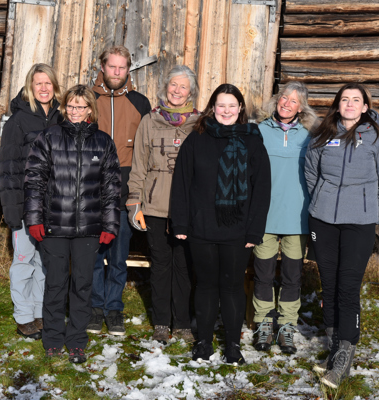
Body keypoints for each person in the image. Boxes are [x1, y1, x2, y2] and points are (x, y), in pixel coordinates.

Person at [305, 83, 379, 387]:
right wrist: (320, 199)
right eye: (344, 99)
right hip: (324, 221)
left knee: (347, 287)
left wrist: (372, 212)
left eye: (355, 100)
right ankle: (334, 350)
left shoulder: (377, 139)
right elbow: (310, 172)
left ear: (364, 107)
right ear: (338, 104)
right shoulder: (323, 134)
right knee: (329, 285)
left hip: (359, 222)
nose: (349, 104)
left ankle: (346, 353)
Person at [171, 84, 271, 365]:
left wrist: (254, 229)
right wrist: (180, 221)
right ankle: (203, 342)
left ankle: (232, 345)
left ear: (240, 109)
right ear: (212, 108)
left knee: (231, 287)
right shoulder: (196, 139)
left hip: (238, 230)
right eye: (221, 105)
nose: (226, 111)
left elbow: (262, 188)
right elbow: (182, 184)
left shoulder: (252, 141)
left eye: (232, 105)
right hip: (201, 227)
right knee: (204, 285)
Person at [23, 85, 121, 363]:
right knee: (55, 284)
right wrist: (34, 219)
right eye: (71, 106)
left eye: (81, 106)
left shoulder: (103, 142)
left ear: (90, 109)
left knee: (82, 284)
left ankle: (77, 339)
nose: (75, 111)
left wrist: (109, 225)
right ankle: (53, 337)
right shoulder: (49, 137)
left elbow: (112, 187)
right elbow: (33, 181)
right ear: (64, 108)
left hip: (89, 229)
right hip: (54, 225)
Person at [127, 65, 200, 344]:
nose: (177, 91)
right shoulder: (150, 120)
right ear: (165, 88)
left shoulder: (200, 123)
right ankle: (160, 322)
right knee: (160, 265)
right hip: (155, 204)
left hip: (188, 208)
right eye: (173, 85)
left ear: (191, 91)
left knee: (184, 265)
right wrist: (134, 201)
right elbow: (139, 165)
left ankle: (182, 323)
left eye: (183, 87)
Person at [88, 45, 151, 336]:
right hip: (92, 183)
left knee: (117, 252)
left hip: (125, 182)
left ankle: (114, 309)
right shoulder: (87, 98)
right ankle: (94, 307)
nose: (116, 72)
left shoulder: (140, 102)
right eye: (111, 66)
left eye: (122, 67)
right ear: (102, 66)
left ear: (128, 70)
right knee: (92, 252)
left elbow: (147, 150)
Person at [252, 82, 318, 354]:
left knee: (292, 276)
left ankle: (287, 326)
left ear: (301, 107)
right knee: (263, 274)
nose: (287, 103)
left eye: (293, 100)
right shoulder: (259, 130)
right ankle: (263, 324)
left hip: (297, 217)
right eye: (283, 98)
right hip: (264, 216)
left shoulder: (310, 134)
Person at [0, 63, 62, 340]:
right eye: (39, 83)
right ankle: (23, 316)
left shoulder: (62, 119)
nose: (44, 88)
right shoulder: (18, 122)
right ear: (30, 87)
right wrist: (12, 210)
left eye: (48, 83)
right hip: (25, 205)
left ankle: (38, 312)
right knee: (23, 261)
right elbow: (9, 170)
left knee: (44, 263)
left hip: (54, 207)